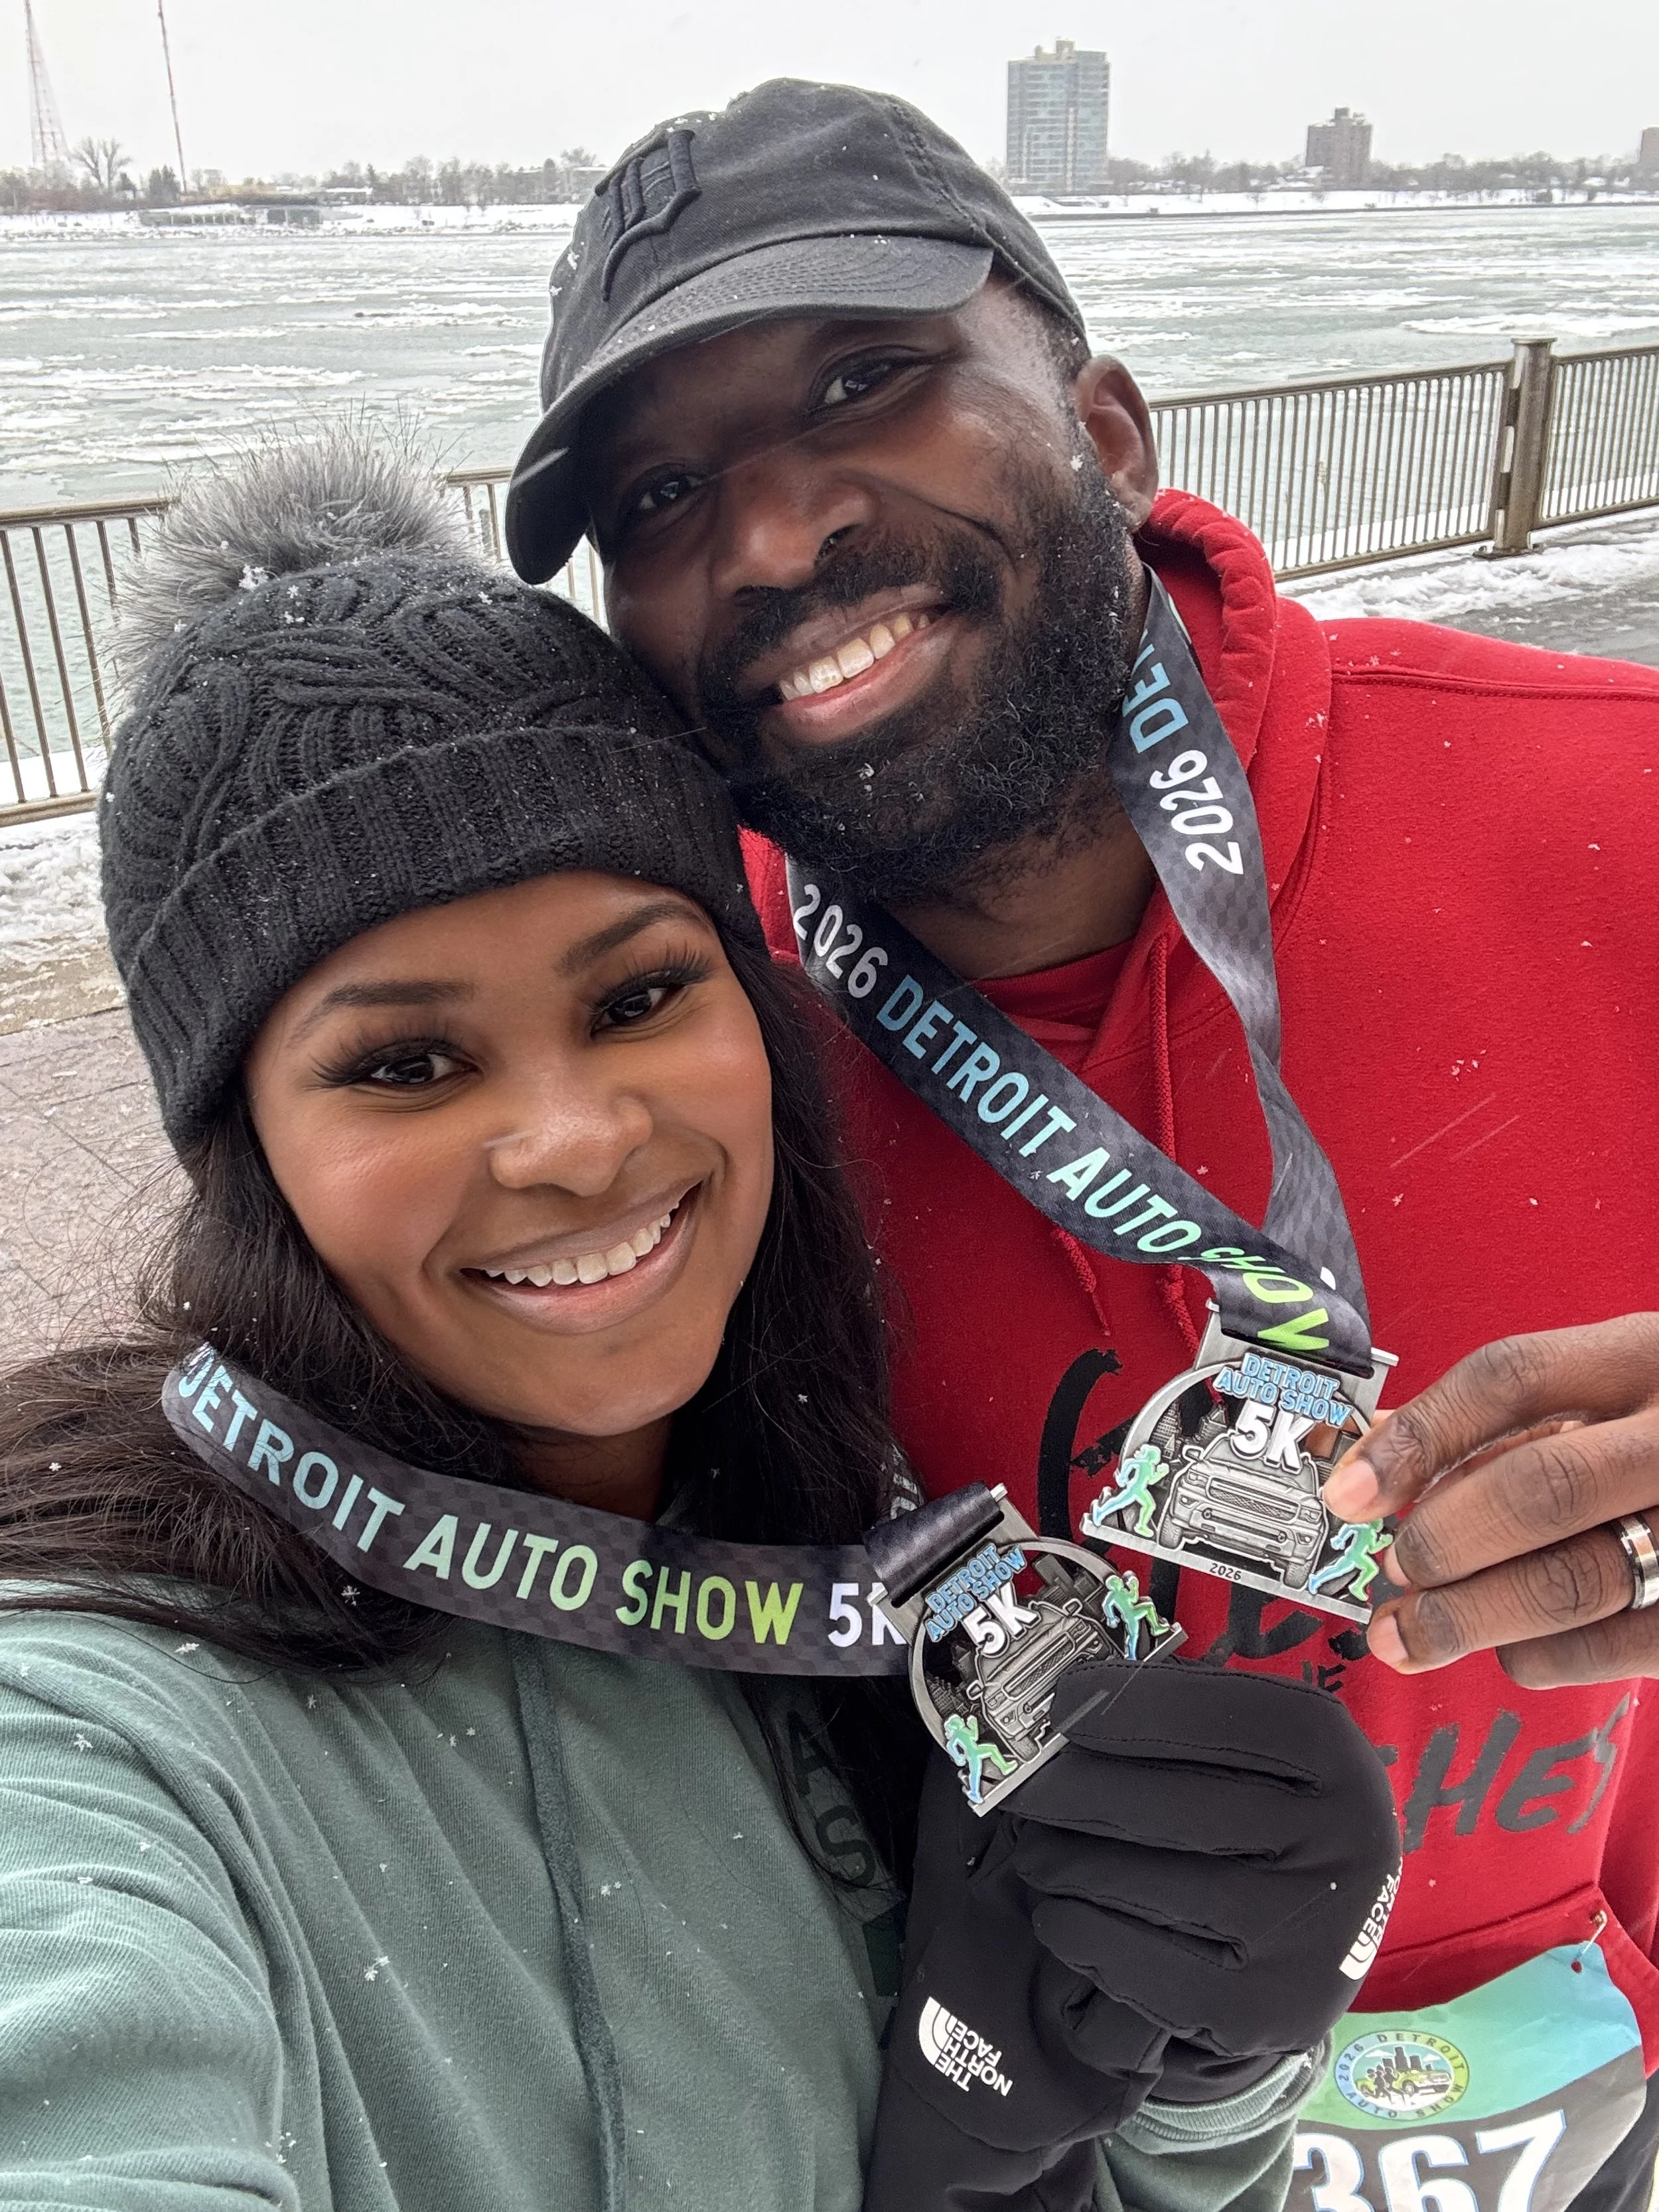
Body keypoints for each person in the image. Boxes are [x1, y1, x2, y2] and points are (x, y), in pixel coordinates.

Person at [0, 433, 1398, 2212]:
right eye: (405, 1061)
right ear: (248, 1149)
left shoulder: (879, 1560)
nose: (576, 1138)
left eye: (640, 992)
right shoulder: (99, 1722)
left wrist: (1195, 2066)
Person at [502, 76, 1659, 2212]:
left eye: (866, 375)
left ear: (1107, 429)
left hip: (1562, 2089)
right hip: (1008, 2134)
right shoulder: (661, 1073)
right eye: (658, 497)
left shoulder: (1614, 814)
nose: (767, 539)